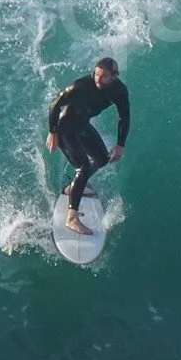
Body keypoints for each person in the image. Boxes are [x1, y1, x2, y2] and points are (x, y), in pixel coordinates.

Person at [46, 56, 129, 234]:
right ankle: (71, 219)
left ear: (114, 76)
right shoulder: (81, 86)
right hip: (65, 128)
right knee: (83, 168)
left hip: (82, 126)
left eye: (103, 77)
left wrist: (120, 145)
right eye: (96, 75)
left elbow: (124, 117)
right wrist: (52, 132)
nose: (97, 80)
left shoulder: (119, 91)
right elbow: (55, 105)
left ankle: (74, 187)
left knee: (101, 159)